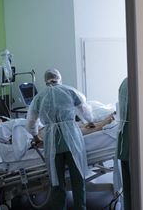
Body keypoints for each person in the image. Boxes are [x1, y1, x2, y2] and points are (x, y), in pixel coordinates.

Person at [26, 68, 95, 210]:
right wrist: (90, 121)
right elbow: (85, 110)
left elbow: (31, 122)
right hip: (71, 139)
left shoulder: (39, 98)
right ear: (59, 78)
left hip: (52, 141)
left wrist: (35, 136)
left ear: (45, 81)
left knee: (56, 182)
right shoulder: (70, 91)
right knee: (78, 179)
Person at [117, 77, 131, 210]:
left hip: (124, 141)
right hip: (133, 139)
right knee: (138, 186)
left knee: (128, 187)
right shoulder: (139, 80)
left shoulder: (124, 82)